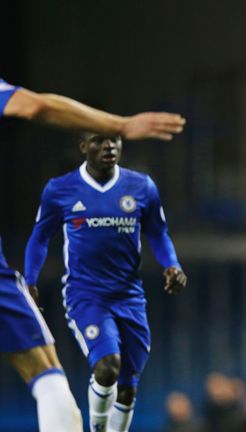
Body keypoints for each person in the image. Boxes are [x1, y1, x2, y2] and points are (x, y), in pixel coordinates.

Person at [0, 77, 185, 431]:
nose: (109, 147)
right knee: (83, 369)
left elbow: (158, 234)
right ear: (83, 146)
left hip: (130, 296)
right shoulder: (61, 189)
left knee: (128, 387)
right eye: (100, 139)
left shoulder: (141, 186)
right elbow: (40, 237)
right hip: (86, 294)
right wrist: (32, 278)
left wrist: (171, 265)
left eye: (114, 140)